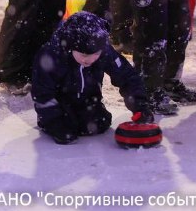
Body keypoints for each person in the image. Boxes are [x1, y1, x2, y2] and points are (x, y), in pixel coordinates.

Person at [31, 12, 152, 145]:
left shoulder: (103, 51)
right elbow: (42, 93)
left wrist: (140, 106)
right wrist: (54, 123)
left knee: (99, 123)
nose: (88, 59)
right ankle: (56, 121)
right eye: (83, 54)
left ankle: (85, 111)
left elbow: (127, 76)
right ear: (71, 48)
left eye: (94, 54)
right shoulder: (52, 55)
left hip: (88, 101)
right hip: (59, 105)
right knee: (67, 126)